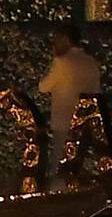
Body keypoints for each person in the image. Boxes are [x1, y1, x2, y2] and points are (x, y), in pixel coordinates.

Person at [38, 23, 101, 188]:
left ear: (66, 39)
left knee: (60, 165)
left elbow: (44, 87)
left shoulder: (62, 62)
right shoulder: (90, 62)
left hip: (64, 121)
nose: (55, 44)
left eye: (57, 40)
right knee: (80, 165)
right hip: (87, 122)